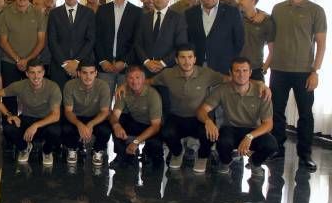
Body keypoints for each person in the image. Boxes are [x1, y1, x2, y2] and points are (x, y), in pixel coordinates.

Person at [269, 0, 326, 170]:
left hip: (304, 71)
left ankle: (305, 155)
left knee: (305, 114)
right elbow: (271, 38)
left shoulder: (316, 10)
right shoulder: (277, 9)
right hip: (279, 69)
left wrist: (315, 71)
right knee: (276, 112)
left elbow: (321, 44)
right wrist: (269, 61)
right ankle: (276, 149)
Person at [151, 44, 226, 174]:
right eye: (183, 57)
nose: (187, 61)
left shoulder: (206, 73)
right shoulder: (168, 74)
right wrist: (124, 86)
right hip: (177, 117)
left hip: (199, 117)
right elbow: (149, 81)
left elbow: (231, 79)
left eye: (190, 57)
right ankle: (177, 153)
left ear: (195, 59)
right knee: (166, 132)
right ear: (176, 60)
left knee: (210, 134)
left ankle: (202, 157)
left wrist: (258, 84)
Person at [198, 57, 278, 176]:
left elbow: (268, 124)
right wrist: (208, 121)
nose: (241, 75)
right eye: (237, 71)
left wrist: (250, 136)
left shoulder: (262, 92)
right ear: (231, 73)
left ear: (250, 72)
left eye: (245, 71)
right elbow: (202, 110)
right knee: (222, 142)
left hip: (253, 130)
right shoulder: (222, 90)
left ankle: (255, 163)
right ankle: (225, 162)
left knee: (271, 144)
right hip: (230, 128)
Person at [0, 59, 61, 166]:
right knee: (8, 127)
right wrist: (8, 114)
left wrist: (36, 125)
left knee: (55, 130)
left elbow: (56, 116)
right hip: (27, 118)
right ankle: (24, 148)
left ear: (43, 73)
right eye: (32, 72)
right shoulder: (20, 85)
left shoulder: (53, 87)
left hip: (46, 120)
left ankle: (47, 151)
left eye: (39, 72)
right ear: (27, 74)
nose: (36, 76)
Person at [0, 0, 47, 113]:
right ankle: (10, 126)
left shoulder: (38, 14)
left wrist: (27, 60)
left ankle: (30, 124)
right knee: (9, 97)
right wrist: (18, 60)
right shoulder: (5, 14)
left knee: (33, 96)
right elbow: (3, 41)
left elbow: (41, 41)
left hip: (33, 64)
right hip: (9, 62)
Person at [109, 65, 163, 169]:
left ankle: (146, 154)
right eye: (131, 78)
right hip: (136, 122)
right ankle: (121, 155)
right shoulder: (123, 92)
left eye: (137, 77)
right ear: (126, 80)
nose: (134, 81)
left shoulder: (153, 95)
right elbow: (114, 115)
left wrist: (136, 142)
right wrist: (116, 125)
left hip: (152, 126)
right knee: (115, 123)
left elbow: (156, 126)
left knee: (155, 156)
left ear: (143, 79)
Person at [185, 0, 244, 74]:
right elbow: (187, 40)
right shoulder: (190, 13)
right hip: (196, 66)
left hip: (223, 67)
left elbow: (239, 41)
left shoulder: (232, 13)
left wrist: (231, 63)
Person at [95, 0, 141, 90]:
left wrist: (124, 61)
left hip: (126, 67)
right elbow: (96, 37)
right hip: (105, 66)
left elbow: (137, 40)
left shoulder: (137, 12)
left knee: (124, 104)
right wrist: (102, 61)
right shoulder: (102, 10)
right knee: (103, 102)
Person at [62, 63, 112, 167]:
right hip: (76, 116)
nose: (88, 76)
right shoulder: (69, 85)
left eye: (91, 73)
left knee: (106, 130)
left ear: (96, 73)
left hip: (96, 116)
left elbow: (105, 112)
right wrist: (79, 124)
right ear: (79, 73)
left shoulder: (103, 86)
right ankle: (72, 148)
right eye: (84, 73)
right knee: (65, 128)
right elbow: (68, 111)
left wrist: (91, 124)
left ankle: (98, 150)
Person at [47, 0, 95, 88]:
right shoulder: (54, 13)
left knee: (81, 101)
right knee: (60, 101)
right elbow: (52, 40)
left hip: (82, 66)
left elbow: (90, 40)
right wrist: (66, 64)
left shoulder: (88, 13)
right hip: (59, 66)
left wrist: (76, 62)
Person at [134, 0, 188, 76]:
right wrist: (146, 61)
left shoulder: (178, 18)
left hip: (169, 70)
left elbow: (180, 46)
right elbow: (137, 43)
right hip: (145, 70)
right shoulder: (143, 18)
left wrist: (162, 63)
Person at [238, 0, 275, 82]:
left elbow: (272, 49)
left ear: (252, 0)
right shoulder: (235, 17)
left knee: (258, 96)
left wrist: (265, 68)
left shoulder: (266, 21)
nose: (239, 2)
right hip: (237, 69)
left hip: (256, 69)